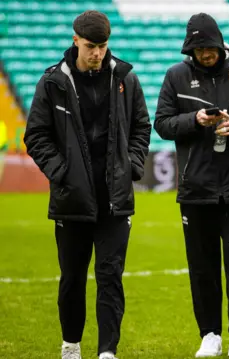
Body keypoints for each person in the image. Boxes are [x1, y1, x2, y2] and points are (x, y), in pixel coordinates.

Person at [23, 10, 151, 359]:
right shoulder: (52, 82)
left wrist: (133, 166)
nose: (97, 53)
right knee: (72, 279)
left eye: (103, 46)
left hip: (115, 198)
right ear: (75, 40)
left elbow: (142, 126)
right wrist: (61, 172)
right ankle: (71, 345)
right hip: (72, 198)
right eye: (91, 46)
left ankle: (107, 352)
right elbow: (36, 135)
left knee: (110, 277)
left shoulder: (125, 78)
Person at [154, 12, 229, 359]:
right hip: (195, 189)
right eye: (197, 50)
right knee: (202, 266)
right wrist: (194, 120)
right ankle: (209, 334)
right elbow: (162, 124)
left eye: (208, 48)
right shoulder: (176, 76)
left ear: (220, 44)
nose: (204, 55)